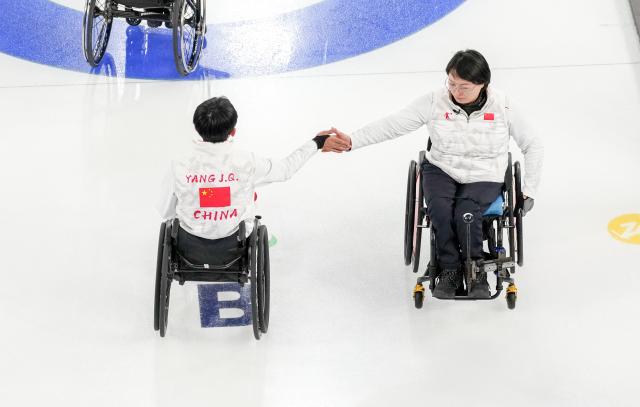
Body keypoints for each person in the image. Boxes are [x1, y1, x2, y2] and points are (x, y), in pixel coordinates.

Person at [324, 49, 543, 299]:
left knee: (466, 213)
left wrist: (529, 189)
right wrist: (352, 140)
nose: (456, 92)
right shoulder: (434, 101)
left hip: (485, 172)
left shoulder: (504, 105)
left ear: (483, 85)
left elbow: (533, 144)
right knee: (439, 209)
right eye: (451, 83)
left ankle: (475, 270)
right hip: (442, 168)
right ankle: (449, 268)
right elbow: (393, 124)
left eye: (464, 86)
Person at [156, 96, 341, 265]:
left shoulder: (178, 165)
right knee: (249, 192)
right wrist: (317, 142)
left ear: (197, 129)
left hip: (189, 247)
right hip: (234, 245)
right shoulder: (247, 162)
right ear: (233, 131)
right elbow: (285, 169)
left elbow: (166, 211)